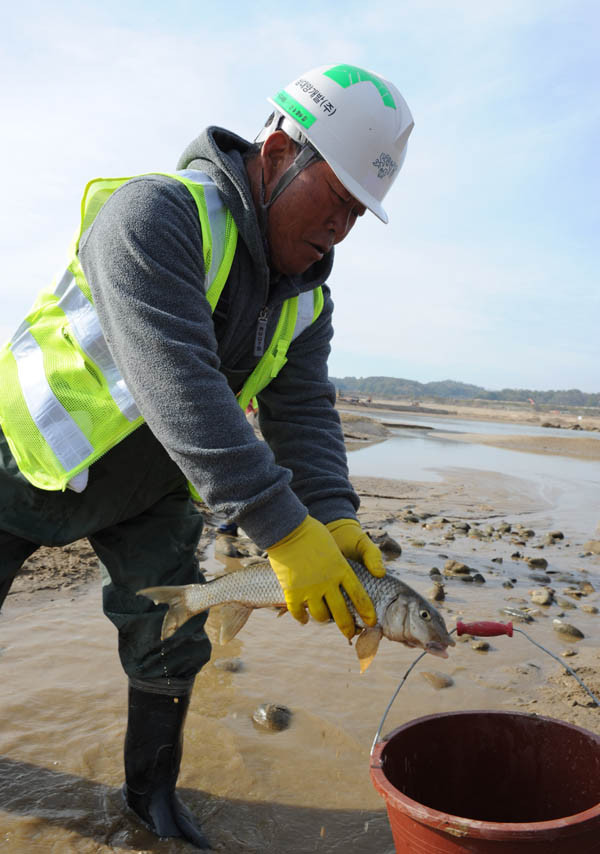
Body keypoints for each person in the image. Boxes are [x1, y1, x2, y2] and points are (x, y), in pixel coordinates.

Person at [0, 63, 413, 848]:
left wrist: (333, 514)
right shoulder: (157, 214)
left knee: (171, 635)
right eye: (335, 197)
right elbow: (178, 380)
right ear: (281, 149)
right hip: (24, 451)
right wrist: (284, 533)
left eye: (359, 213)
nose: (341, 228)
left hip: (147, 484)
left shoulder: (307, 300)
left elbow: (301, 414)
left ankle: (148, 801)